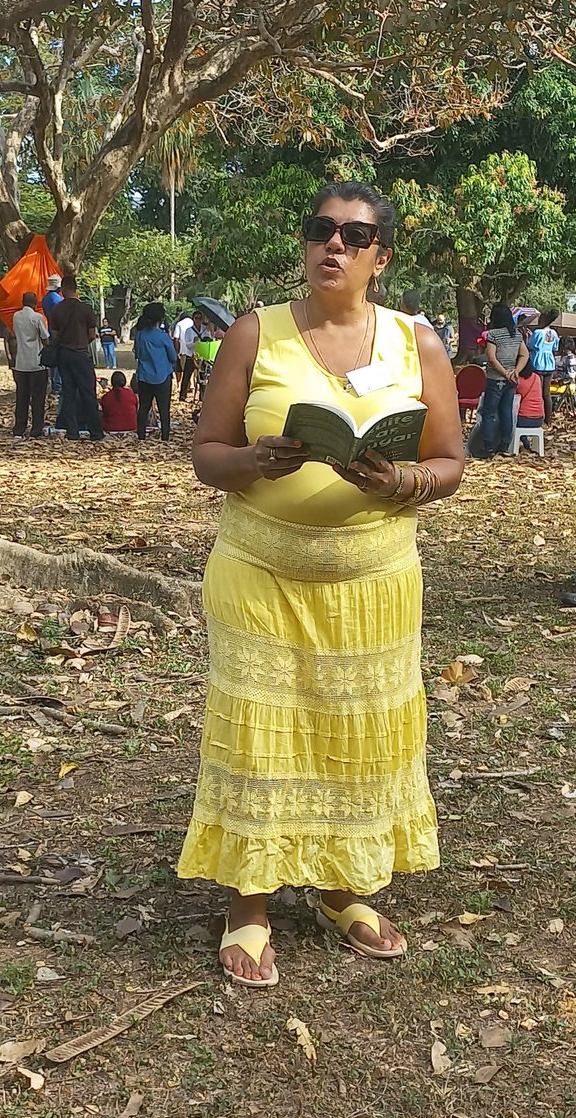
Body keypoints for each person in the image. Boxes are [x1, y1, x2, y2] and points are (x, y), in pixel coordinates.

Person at [177, 180, 464, 987]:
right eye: (320, 230)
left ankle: (341, 887)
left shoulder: (419, 343)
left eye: (354, 235)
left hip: (373, 581)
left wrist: (405, 482)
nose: (332, 245)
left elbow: (450, 463)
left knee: (354, 735)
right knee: (259, 734)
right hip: (260, 573)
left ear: (383, 256)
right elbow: (206, 453)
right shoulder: (251, 333)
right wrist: (250, 461)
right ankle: (251, 903)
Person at [49, 275, 104, 441]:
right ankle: (95, 431)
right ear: (76, 289)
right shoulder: (86, 309)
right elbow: (92, 334)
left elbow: (55, 335)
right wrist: (81, 342)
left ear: (64, 289)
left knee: (68, 393)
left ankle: (72, 431)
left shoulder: (57, 310)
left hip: (64, 355)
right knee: (88, 393)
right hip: (81, 353)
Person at [481, 303, 528, 458]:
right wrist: (515, 371)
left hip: (495, 379)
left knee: (489, 412)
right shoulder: (516, 335)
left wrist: (504, 373)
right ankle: (504, 445)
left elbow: (492, 359)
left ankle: (488, 447)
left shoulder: (492, 335)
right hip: (511, 380)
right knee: (506, 411)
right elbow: (524, 355)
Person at [133, 302, 177, 441]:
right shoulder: (163, 337)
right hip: (163, 376)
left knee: (144, 406)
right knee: (164, 409)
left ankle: (141, 435)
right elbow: (173, 356)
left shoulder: (140, 335)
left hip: (144, 376)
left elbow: (137, 354)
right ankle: (165, 436)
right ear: (161, 318)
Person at [12, 292, 49, 438]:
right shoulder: (37, 317)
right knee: (38, 398)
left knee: (22, 397)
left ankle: (19, 428)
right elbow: (45, 337)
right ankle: (36, 428)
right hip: (37, 362)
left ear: (23, 302)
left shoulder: (16, 316)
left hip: (21, 363)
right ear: (35, 303)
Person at [527, 309, 559, 427]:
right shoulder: (554, 333)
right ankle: (549, 420)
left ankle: (539, 418)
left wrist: (527, 336)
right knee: (547, 393)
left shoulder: (538, 332)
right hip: (550, 364)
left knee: (538, 393)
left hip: (537, 363)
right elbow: (555, 348)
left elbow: (530, 345)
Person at [514, 361, 544, 451]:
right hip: (539, 417)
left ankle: (522, 440)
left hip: (524, 418)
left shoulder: (518, 380)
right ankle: (525, 440)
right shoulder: (537, 377)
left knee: (508, 420)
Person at [42, 274, 64, 398]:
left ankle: (55, 385)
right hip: (60, 332)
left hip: (51, 330)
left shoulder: (46, 299)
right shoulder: (58, 300)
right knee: (60, 360)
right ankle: (58, 385)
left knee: (54, 360)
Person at [179, 311, 205, 402]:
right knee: (186, 376)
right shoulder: (189, 330)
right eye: (196, 318)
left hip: (201, 356)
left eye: (199, 318)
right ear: (193, 319)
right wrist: (194, 342)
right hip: (191, 356)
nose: (198, 320)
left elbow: (208, 341)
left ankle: (202, 396)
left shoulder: (205, 330)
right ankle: (182, 395)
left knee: (202, 377)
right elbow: (187, 345)